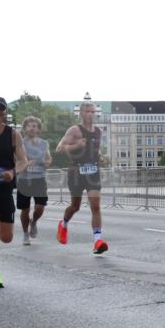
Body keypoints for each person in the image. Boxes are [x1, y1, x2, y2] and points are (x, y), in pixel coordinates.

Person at [55, 101, 109, 254]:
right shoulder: (74, 130)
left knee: (96, 206)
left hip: (93, 172)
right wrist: (76, 145)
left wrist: (100, 158)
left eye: (93, 112)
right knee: (75, 206)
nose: (90, 114)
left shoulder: (98, 131)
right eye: (87, 111)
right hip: (76, 172)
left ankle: (97, 241)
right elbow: (59, 149)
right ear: (81, 113)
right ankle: (64, 224)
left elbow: (94, 150)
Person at [0, 96, 28, 288]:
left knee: (6, 237)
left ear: (5, 113)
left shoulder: (13, 135)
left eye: (0, 109)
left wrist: (12, 171)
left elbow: (22, 160)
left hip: (3, 189)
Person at [17, 116, 52, 245]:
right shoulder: (19, 143)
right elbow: (15, 160)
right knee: (25, 209)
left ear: (39, 129)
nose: (32, 128)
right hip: (24, 180)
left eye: (35, 126)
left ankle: (34, 221)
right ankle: (25, 234)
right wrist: (25, 163)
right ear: (25, 128)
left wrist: (42, 162)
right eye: (30, 125)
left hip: (39, 179)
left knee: (40, 207)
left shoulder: (44, 143)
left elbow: (49, 160)